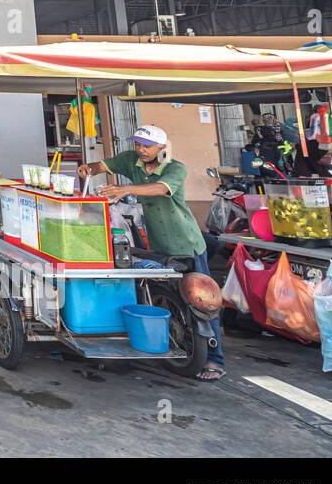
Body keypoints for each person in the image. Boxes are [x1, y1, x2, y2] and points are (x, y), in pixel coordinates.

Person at [77, 123, 224, 382]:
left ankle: (215, 358)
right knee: (164, 292)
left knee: (202, 301)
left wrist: (125, 189)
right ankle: (162, 339)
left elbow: (161, 188)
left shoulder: (176, 168)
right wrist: (89, 168)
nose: (141, 150)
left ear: (162, 148)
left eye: (147, 146)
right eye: (138, 144)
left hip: (186, 242)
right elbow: (102, 166)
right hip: (157, 243)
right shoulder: (131, 161)